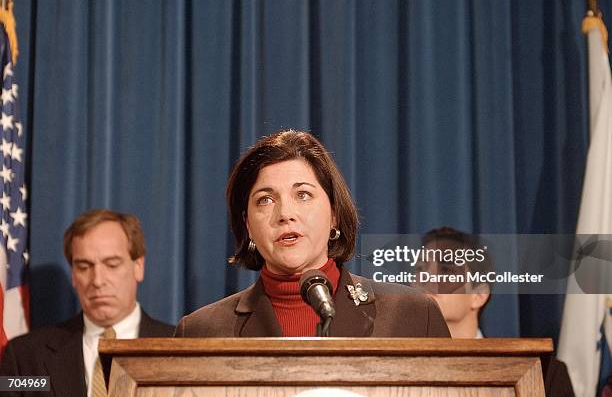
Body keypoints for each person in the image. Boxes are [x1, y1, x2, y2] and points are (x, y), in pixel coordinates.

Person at [175, 129, 450, 338]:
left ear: (334, 214)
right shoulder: (200, 331)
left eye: (303, 194)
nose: (285, 213)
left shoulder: (414, 316)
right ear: (248, 225)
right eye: (265, 199)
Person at [0, 209, 174, 397]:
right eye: (84, 267)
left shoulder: (180, 348)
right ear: (74, 275)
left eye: (112, 264)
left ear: (138, 267)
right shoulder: (25, 357)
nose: (97, 280)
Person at [416, 226, 575, 397]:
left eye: (446, 270)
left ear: (478, 295)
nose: (427, 278)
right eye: (420, 269)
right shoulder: (389, 366)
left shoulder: (545, 374)